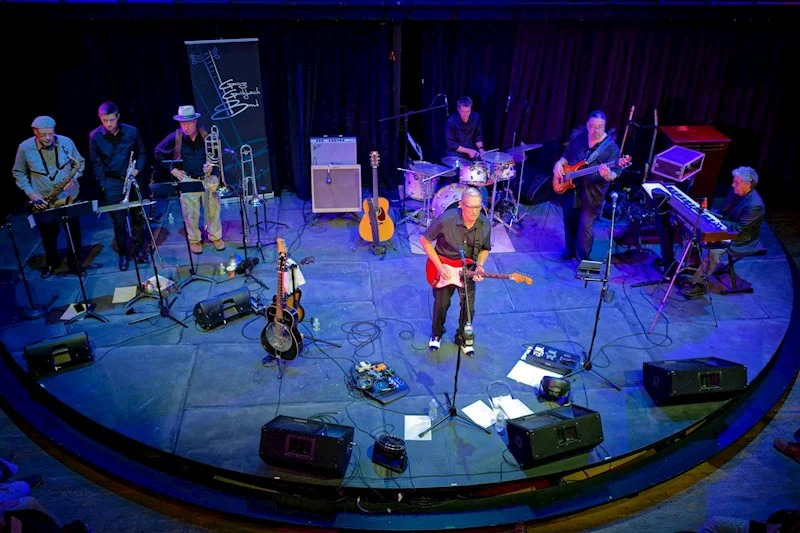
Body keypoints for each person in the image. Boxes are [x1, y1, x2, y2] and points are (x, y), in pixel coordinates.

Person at [420, 187, 491, 357]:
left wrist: (480, 266)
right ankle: (436, 334)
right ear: (461, 205)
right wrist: (439, 266)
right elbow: (424, 240)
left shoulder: (485, 224)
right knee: (441, 305)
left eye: (478, 207)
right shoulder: (447, 219)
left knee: (468, 308)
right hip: (444, 267)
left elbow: (485, 249)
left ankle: (463, 338)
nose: (475, 212)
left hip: (467, 269)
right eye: (471, 207)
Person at [12, 116, 86, 278]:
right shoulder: (24, 148)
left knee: (74, 232)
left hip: (68, 196)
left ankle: (74, 262)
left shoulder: (66, 142)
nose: (48, 138)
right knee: (48, 235)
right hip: (44, 199)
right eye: (43, 134)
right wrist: (31, 193)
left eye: (51, 134)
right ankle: (52, 262)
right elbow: (18, 173)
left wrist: (74, 178)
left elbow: (79, 162)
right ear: (35, 132)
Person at [682, 166, 765, 299]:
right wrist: (708, 213)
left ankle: (700, 284)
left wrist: (716, 223)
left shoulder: (755, 205)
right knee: (696, 232)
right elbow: (723, 212)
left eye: (736, 182)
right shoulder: (735, 191)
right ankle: (696, 266)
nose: (732, 185)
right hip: (727, 228)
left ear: (747, 184)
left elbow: (740, 229)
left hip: (741, 239)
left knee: (714, 250)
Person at [153, 105, 225, 254]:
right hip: (188, 178)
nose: (185, 127)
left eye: (188, 123)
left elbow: (218, 154)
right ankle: (194, 240)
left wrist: (212, 165)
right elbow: (158, 152)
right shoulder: (177, 136)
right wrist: (172, 169)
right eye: (182, 123)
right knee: (190, 213)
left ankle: (216, 237)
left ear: (195, 122)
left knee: (213, 209)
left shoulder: (206, 135)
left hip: (208, 177)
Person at [552, 110, 620, 261]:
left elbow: (616, 173)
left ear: (604, 126)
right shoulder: (578, 138)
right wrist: (558, 164)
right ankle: (570, 251)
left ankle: (583, 260)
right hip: (571, 189)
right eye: (593, 126)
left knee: (585, 228)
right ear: (588, 125)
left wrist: (608, 175)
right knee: (569, 221)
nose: (596, 130)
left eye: (600, 127)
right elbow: (566, 156)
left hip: (592, 194)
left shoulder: (611, 148)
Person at [89, 102, 149, 271]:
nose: (108, 124)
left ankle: (139, 249)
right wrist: (103, 185)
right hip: (112, 182)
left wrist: (136, 170)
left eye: (111, 120)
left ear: (118, 117)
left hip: (132, 178)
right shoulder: (95, 136)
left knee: (137, 217)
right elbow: (96, 163)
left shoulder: (132, 131)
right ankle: (123, 253)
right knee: (119, 221)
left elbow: (142, 153)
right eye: (104, 120)